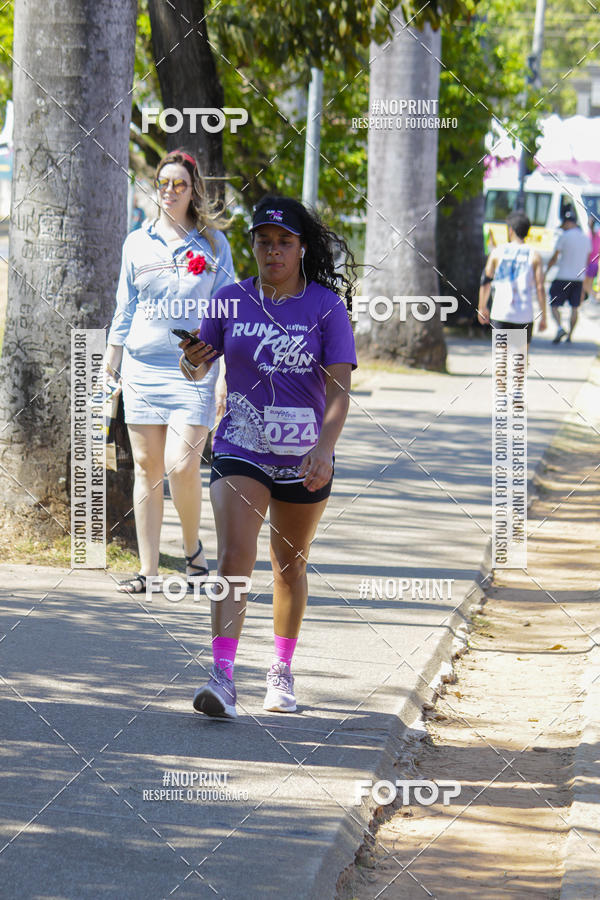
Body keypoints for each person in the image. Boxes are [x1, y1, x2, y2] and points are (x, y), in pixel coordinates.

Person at [179, 196, 357, 718]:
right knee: (235, 556)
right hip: (240, 445)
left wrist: (325, 447)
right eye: (263, 242)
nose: (272, 252)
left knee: (288, 566)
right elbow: (197, 366)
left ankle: (280, 670)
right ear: (252, 246)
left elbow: (340, 388)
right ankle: (223, 676)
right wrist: (190, 360)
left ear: (301, 249)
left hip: (304, 455)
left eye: (283, 243)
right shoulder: (229, 300)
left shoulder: (325, 307)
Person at [104, 149, 233, 593]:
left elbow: (229, 309)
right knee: (146, 466)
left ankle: (193, 552)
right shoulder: (137, 242)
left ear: (193, 190)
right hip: (141, 368)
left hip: (195, 371)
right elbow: (128, 304)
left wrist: (229, 371)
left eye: (179, 184)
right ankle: (148, 570)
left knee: (181, 464)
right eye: (163, 183)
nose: (170, 191)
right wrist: (112, 355)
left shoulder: (213, 244)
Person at [477, 210, 547, 345]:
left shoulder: (497, 252)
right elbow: (540, 288)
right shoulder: (535, 255)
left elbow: (486, 281)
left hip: (500, 312)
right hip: (523, 313)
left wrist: (482, 307)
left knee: (500, 360)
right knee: (519, 362)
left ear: (511, 230)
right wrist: (543, 316)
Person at [545, 207, 592, 343]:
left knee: (554, 305)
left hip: (562, 277)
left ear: (567, 223)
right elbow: (588, 260)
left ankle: (560, 327)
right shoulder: (585, 238)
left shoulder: (563, 237)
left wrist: (545, 272)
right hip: (578, 279)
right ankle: (570, 335)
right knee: (575, 308)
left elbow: (554, 257)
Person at [582, 213, 600, 302]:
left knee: (586, 285)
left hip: (589, 263)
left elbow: (587, 252)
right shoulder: (598, 236)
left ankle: (595, 298)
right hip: (595, 264)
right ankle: (593, 298)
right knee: (589, 284)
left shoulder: (587, 236)